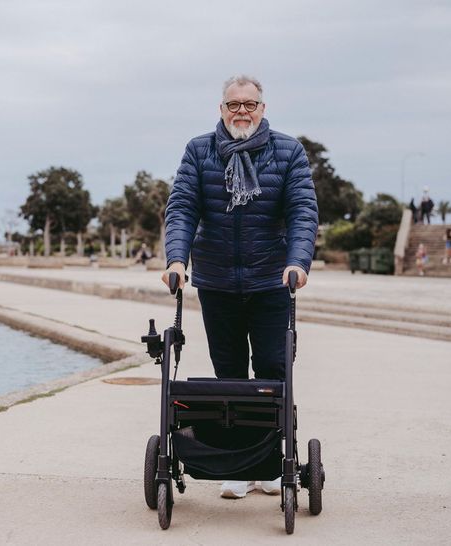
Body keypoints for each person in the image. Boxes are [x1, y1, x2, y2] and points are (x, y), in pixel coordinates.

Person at [162, 75, 319, 499]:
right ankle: (235, 464)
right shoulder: (199, 151)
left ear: (263, 109)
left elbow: (303, 210)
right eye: (234, 105)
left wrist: (297, 263)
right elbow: (182, 207)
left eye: (250, 104)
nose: (242, 112)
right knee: (228, 376)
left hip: (271, 281)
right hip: (217, 283)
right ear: (221, 109)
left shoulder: (288, 151)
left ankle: (268, 464)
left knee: (271, 372)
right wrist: (176, 259)